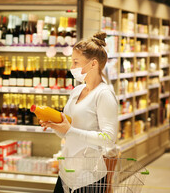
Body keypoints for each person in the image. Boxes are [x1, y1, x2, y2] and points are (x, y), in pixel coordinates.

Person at [40, 32, 118, 193]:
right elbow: (66, 134)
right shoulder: (77, 91)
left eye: (76, 62)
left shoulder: (104, 94)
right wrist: (55, 126)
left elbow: (109, 139)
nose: (71, 68)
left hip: (90, 178)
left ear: (93, 64)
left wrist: (70, 130)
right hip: (66, 175)